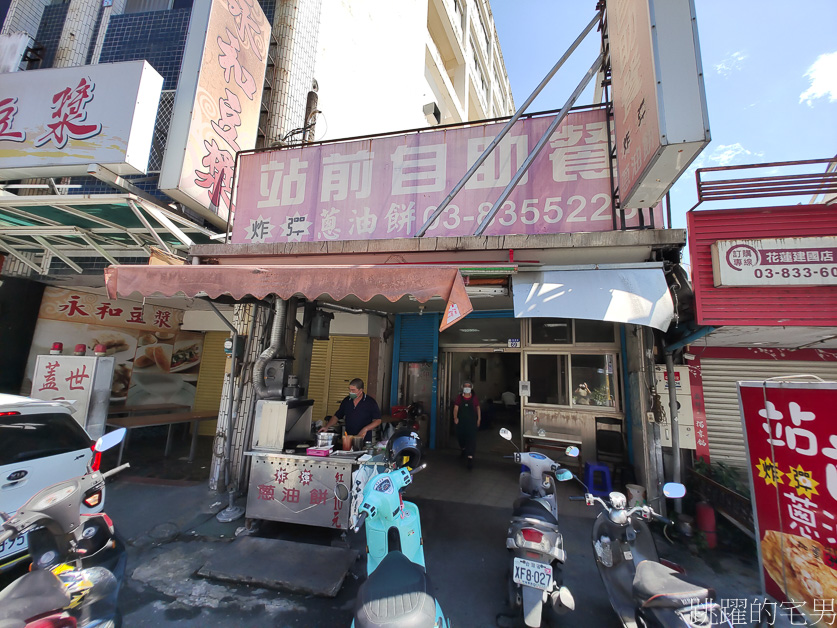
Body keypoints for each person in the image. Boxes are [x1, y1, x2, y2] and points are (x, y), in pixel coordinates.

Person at [319, 378, 382, 442]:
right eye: (349, 389)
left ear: (361, 390)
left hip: (364, 439)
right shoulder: (346, 401)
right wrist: (327, 426)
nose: (351, 392)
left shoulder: (370, 402)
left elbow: (378, 420)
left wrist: (365, 429)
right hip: (348, 438)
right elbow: (337, 416)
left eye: (353, 390)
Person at [453, 381, 481, 470]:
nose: (467, 388)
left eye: (469, 386)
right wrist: (455, 417)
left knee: (471, 440)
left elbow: (478, 408)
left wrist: (479, 419)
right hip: (461, 422)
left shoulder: (474, 398)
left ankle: (470, 458)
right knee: (461, 437)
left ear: (471, 388)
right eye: (465, 386)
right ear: (462, 388)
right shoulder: (459, 398)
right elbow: (456, 408)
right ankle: (463, 449)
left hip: (471, 423)